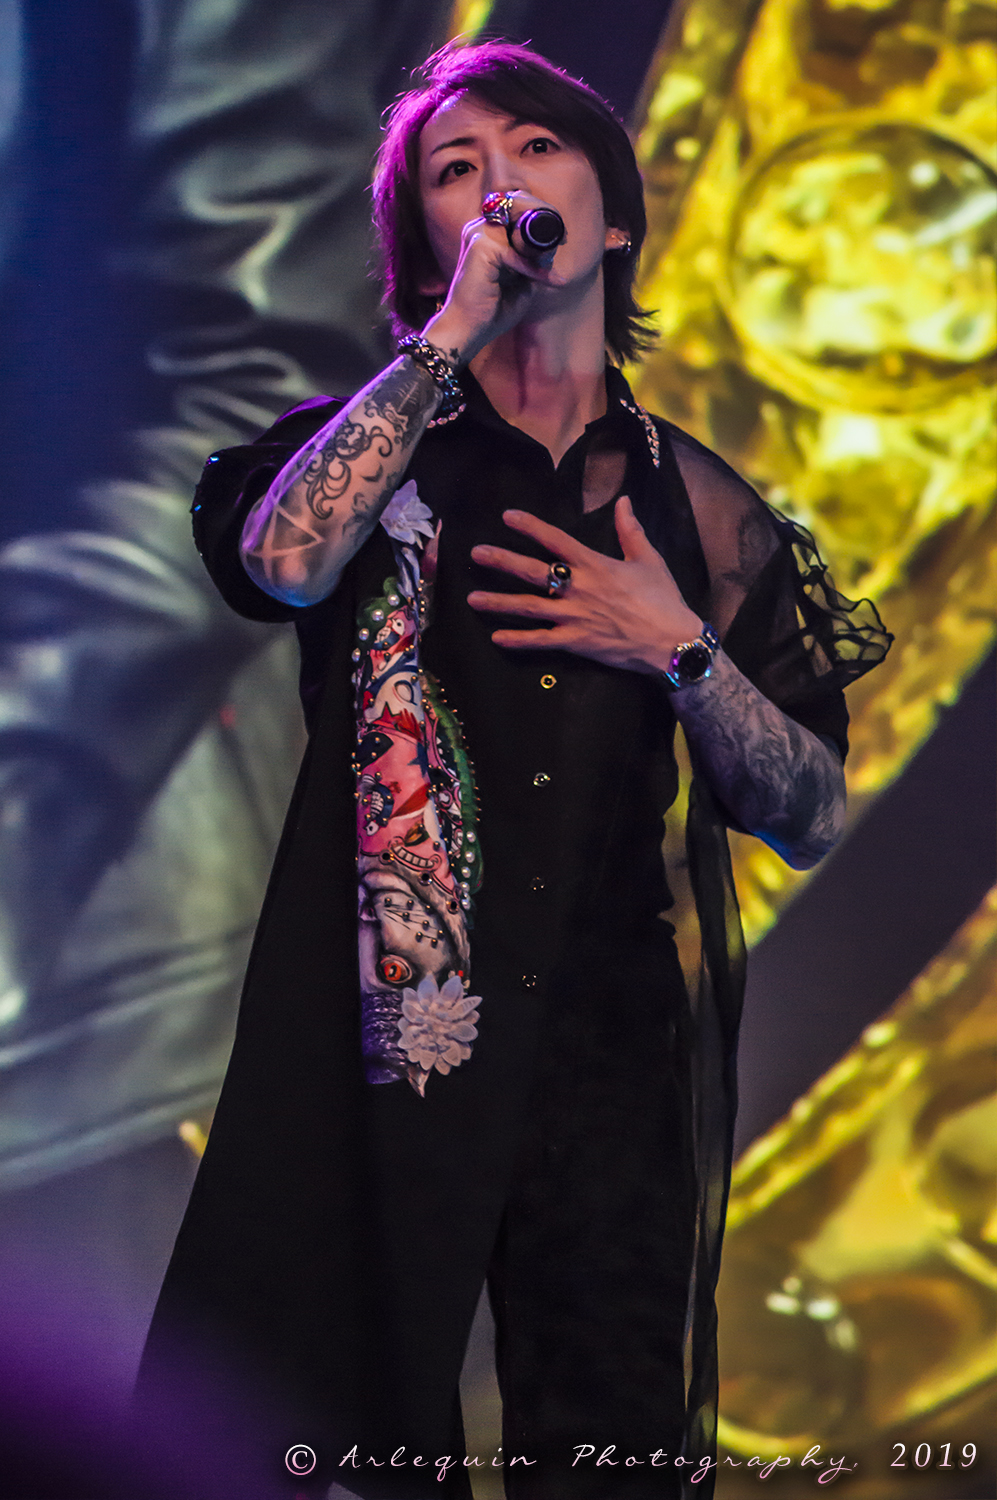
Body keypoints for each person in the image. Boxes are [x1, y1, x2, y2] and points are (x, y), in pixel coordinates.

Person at [139, 39, 890, 1500]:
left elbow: (806, 808)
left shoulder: (701, 511)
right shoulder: (363, 458)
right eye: (455, 168)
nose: (499, 184)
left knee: (604, 1443)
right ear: (424, 239)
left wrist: (679, 651)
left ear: (611, 215)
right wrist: (451, 334)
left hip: (603, 1045)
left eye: (534, 148)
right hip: (385, 1032)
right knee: (326, 1431)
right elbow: (283, 563)